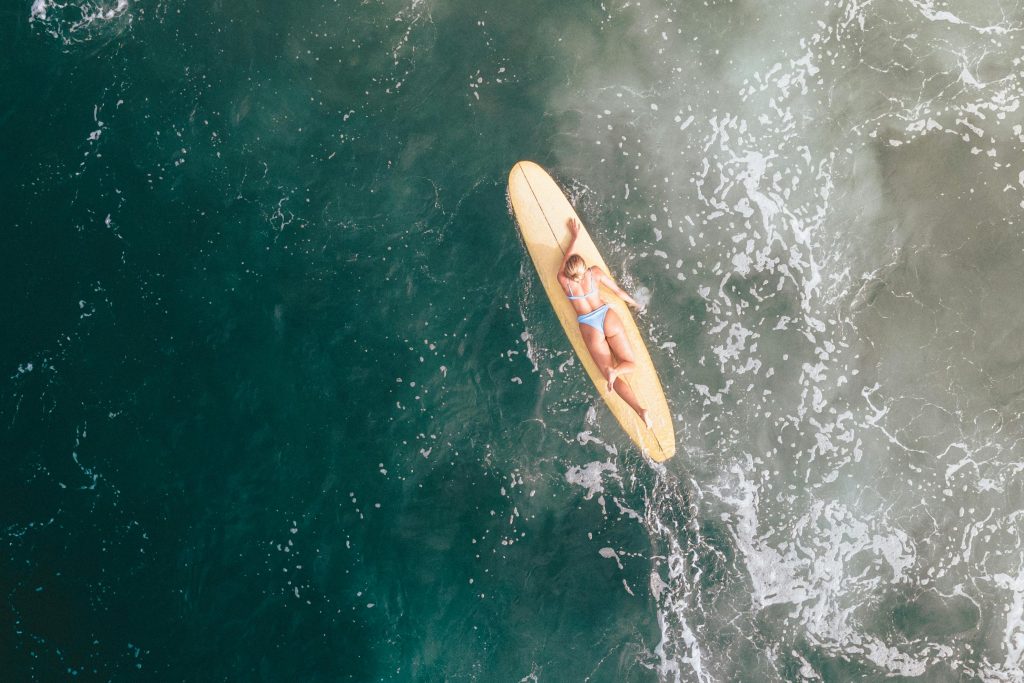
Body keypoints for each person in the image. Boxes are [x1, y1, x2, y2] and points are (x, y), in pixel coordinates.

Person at [557, 217, 652, 429]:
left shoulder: (564, 282)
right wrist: (635, 303)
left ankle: (640, 409)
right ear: (584, 267)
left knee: (608, 374)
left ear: (569, 274)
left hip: (590, 327)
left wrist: (573, 240)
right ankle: (617, 371)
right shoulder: (595, 273)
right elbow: (617, 291)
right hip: (607, 317)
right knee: (630, 363)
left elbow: (564, 265)